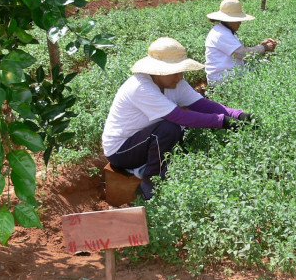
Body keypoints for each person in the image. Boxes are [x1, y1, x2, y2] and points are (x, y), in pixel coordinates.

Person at [102, 37, 253, 200]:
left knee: (178, 129)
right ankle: (150, 184)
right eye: (176, 72)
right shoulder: (141, 87)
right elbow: (178, 116)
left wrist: (237, 115)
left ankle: (166, 170)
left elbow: (201, 104)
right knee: (169, 128)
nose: (180, 76)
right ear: (159, 71)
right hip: (120, 150)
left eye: (181, 71)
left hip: (142, 140)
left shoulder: (175, 83)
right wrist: (222, 122)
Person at [205, 0, 277, 84]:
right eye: (238, 20)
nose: (240, 23)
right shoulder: (221, 34)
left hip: (229, 76)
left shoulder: (223, 31)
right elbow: (242, 53)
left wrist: (260, 45)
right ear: (229, 20)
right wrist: (264, 47)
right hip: (222, 80)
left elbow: (240, 51)